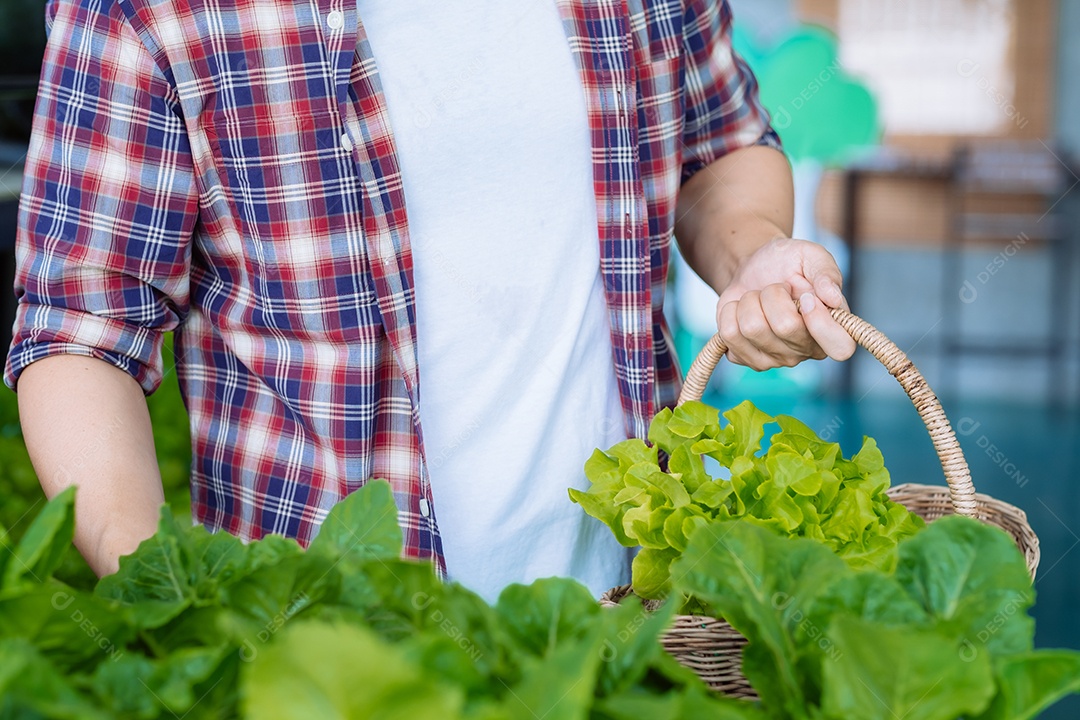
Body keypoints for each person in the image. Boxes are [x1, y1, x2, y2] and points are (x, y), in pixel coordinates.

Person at [6, 0, 855, 600]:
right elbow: (82, 333)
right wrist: (166, 587)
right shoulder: (143, 10)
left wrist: (754, 253)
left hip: (632, 612)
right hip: (327, 637)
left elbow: (721, 144)